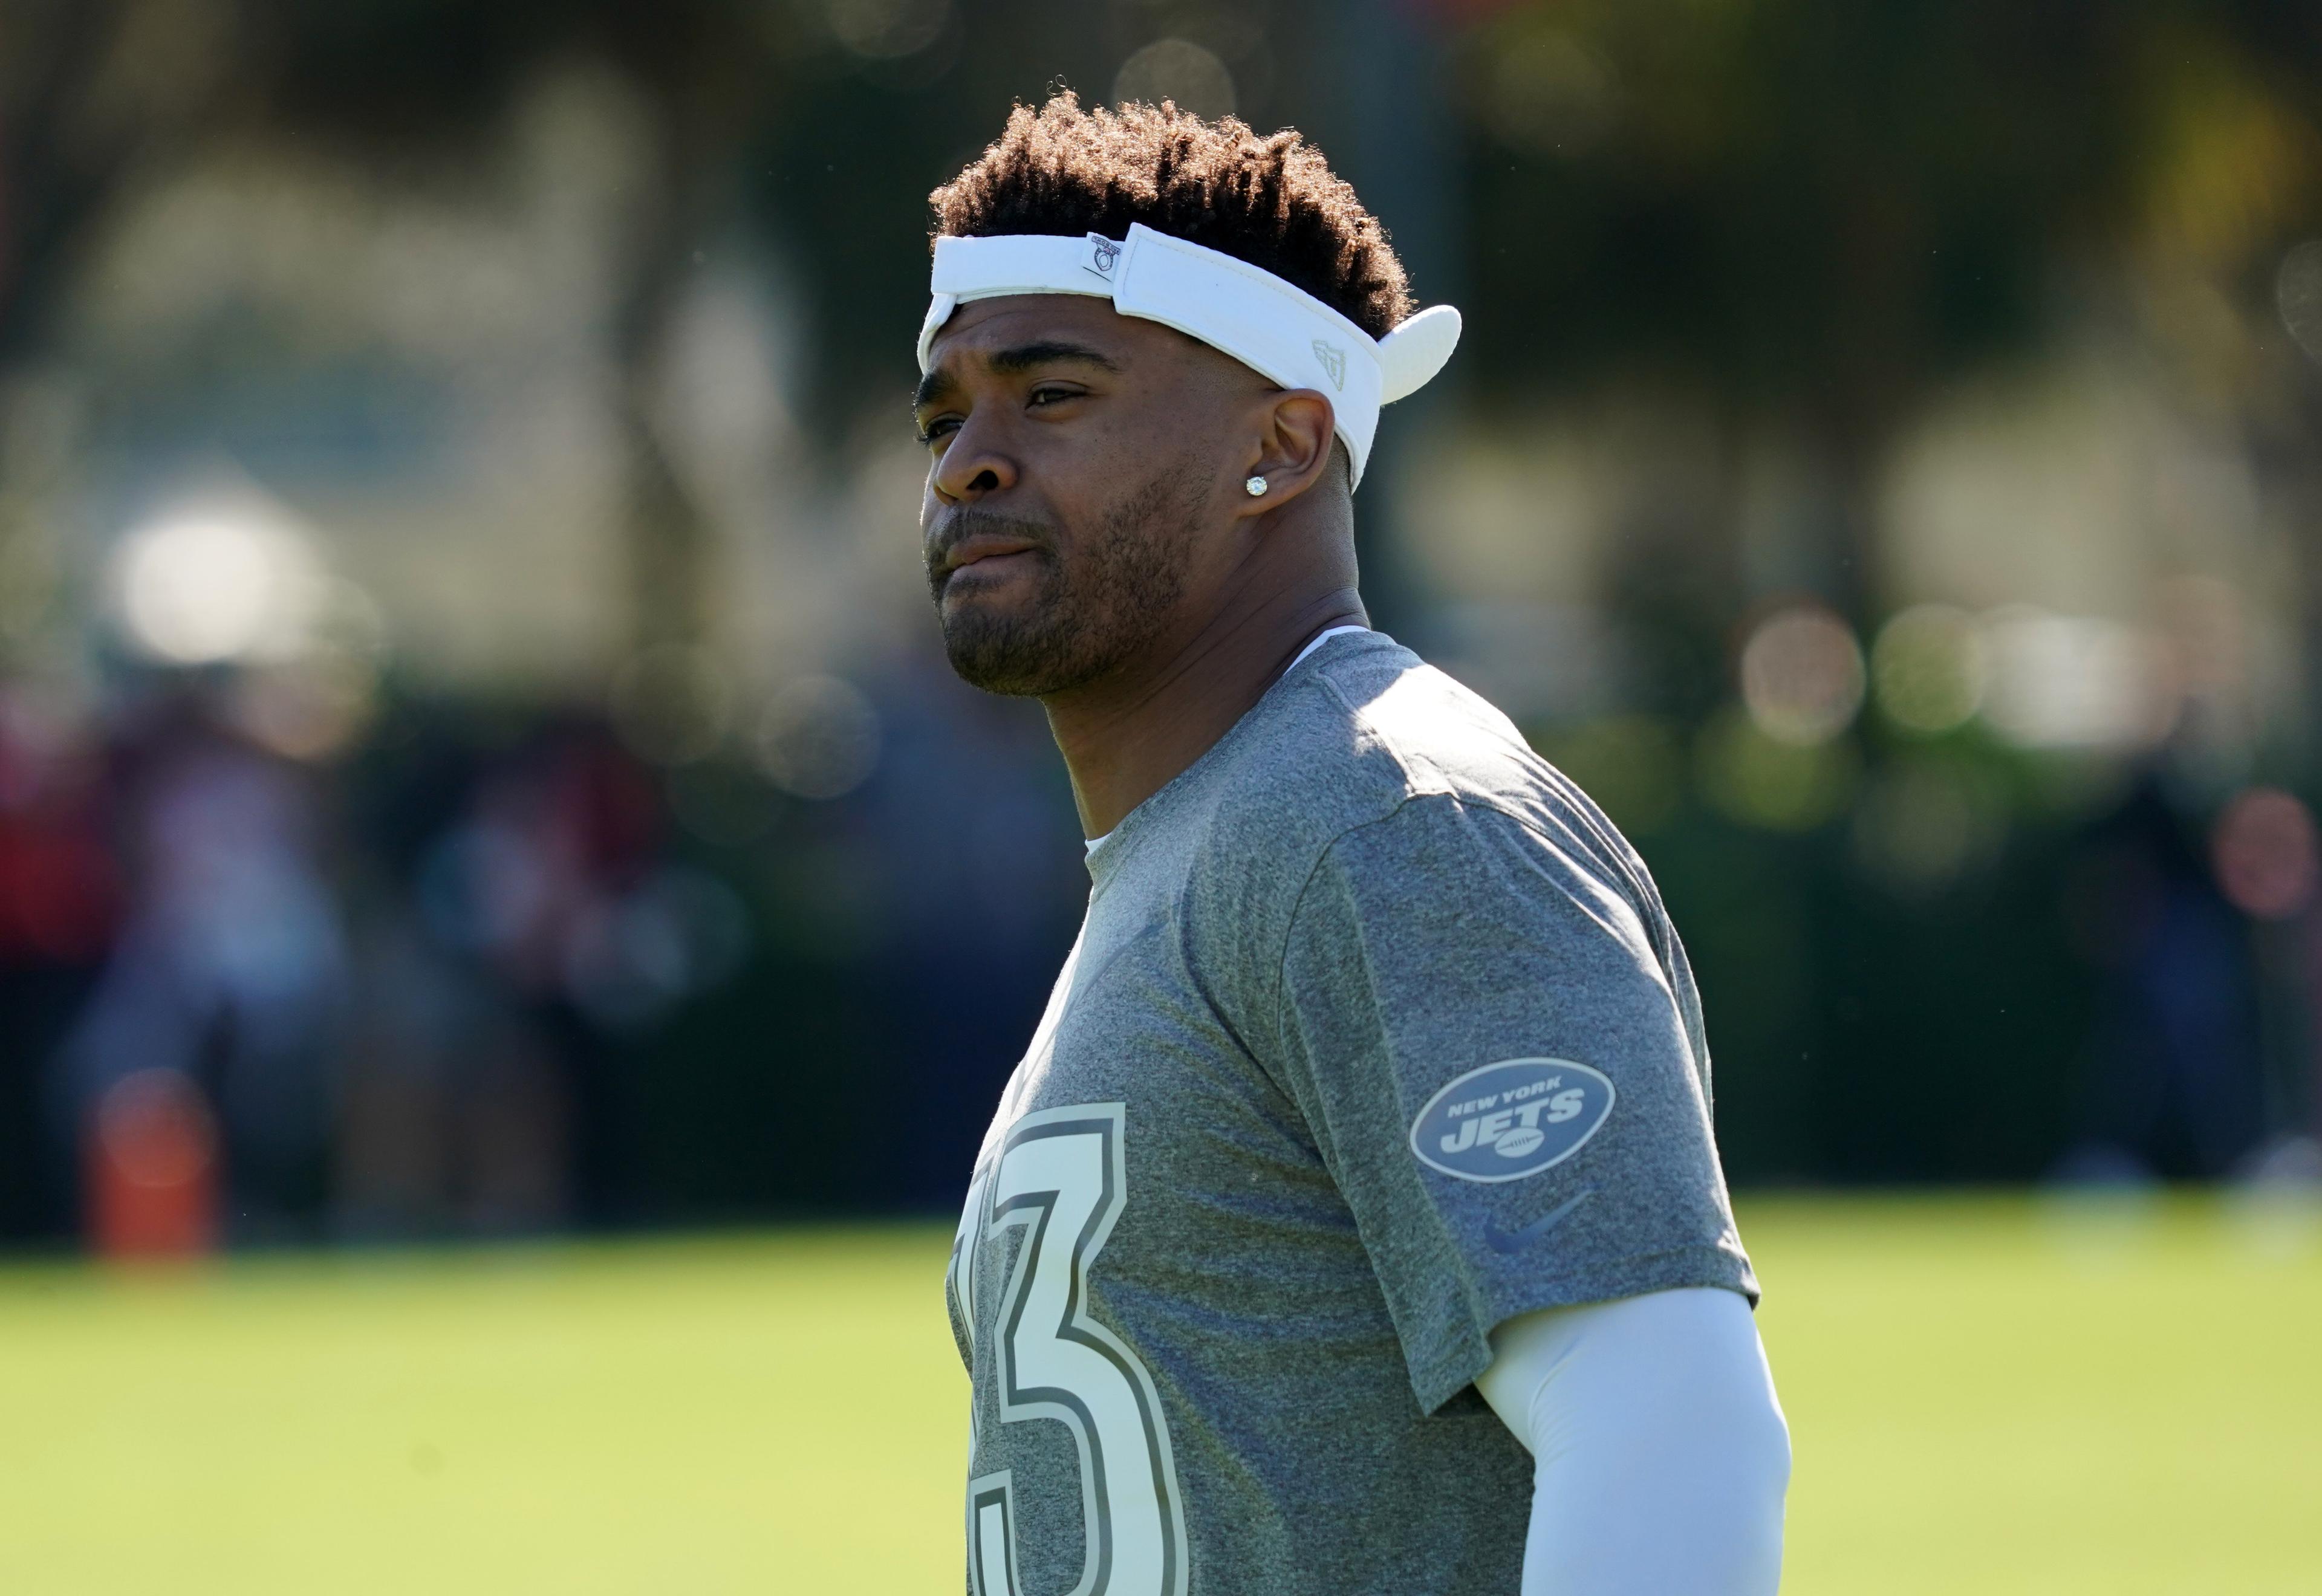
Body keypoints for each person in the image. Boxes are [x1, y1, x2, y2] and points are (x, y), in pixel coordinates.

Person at [917, 96, 1789, 1596]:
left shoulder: (1390, 818)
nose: (965, 466)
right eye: (945, 416)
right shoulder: (1205, 841)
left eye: (1052, 394)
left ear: (1284, 443)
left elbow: (1671, 1434)